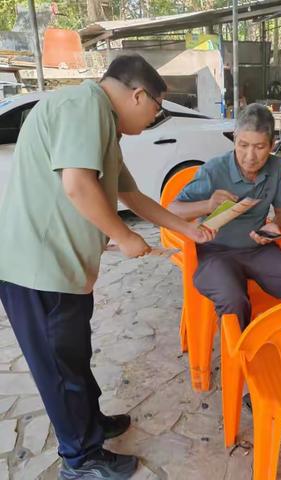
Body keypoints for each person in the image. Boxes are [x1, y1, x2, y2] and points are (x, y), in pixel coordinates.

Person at [0, 54, 214, 480]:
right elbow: (77, 184)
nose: (156, 117)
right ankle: (80, 459)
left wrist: (187, 230)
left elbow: (133, 196)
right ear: (138, 95)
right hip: (39, 270)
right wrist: (125, 237)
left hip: (64, 269)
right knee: (61, 369)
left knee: (75, 358)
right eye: (157, 107)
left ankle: (90, 426)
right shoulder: (85, 106)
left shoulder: (102, 125)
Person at [169, 103, 281, 332]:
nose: (250, 156)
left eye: (259, 147)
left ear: (271, 145)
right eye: (243, 145)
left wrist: (273, 226)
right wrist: (207, 205)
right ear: (235, 139)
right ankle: (239, 361)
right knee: (234, 301)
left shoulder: (276, 168)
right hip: (214, 253)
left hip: (257, 250)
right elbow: (172, 210)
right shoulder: (214, 170)